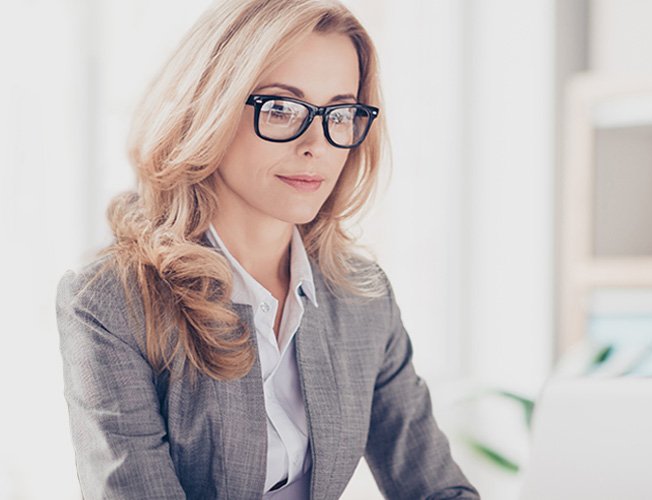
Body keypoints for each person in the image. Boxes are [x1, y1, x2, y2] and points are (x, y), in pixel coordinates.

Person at [55, 0, 479, 498]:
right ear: (210, 110)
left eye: (339, 113)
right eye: (280, 108)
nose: (316, 144)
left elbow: (436, 486)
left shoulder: (362, 298)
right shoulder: (111, 303)